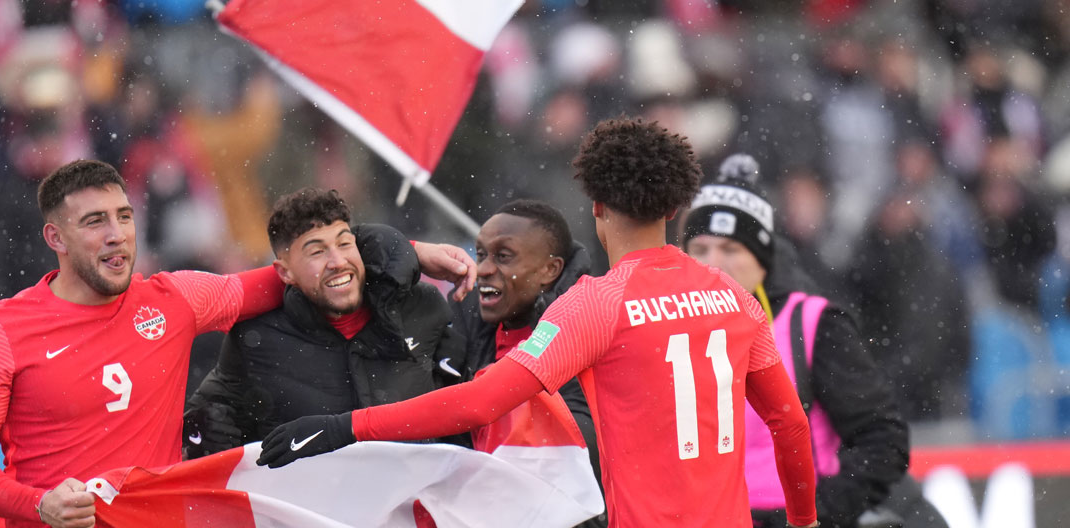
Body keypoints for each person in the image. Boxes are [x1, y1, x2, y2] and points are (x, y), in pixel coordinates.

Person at [257, 118, 820, 528]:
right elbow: (789, 425)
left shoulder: (597, 304)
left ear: (596, 207)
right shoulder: (735, 299)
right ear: (674, 210)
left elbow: (481, 402)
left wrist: (344, 427)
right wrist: (804, 520)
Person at [0, 159, 476, 528]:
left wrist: (407, 248)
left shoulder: (175, 300)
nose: (117, 234)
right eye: (95, 222)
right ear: (55, 238)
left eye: (124, 217)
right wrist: (38, 505)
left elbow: (303, 267)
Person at [682, 154, 910, 528]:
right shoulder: (668, 327)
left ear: (761, 259)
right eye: (701, 249)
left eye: (731, 249)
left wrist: (818, 513)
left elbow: (882, 439)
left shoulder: (812, 323)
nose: (714, 264)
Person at [181, 188, 467, 456]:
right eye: (317, 252)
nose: (338, 261)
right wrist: (206, 427)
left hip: (415, 504)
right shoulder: (256, 340)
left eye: (345, 243)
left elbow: (468, 412)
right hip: (312, 508)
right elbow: (202, 421)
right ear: (284, 273)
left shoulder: (422, 307)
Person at [457, 198, 605, 527]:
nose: (483, 269)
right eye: (480, 254)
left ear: (550, 270)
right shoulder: (460, 328)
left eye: (503, 256)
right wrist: (412, 250)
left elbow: (580, 465)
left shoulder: (589, 339)